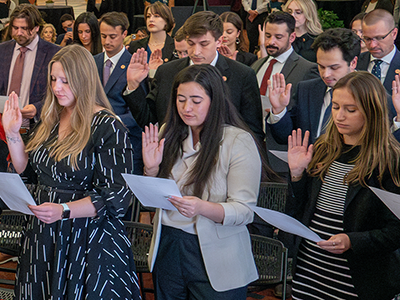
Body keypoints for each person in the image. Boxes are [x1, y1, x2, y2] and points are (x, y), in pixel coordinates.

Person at [2, 44, 141, 300]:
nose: (56, 88)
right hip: (44, 233)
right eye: (54, 79)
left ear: (84, 80)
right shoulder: (52, 118)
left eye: (65, 81)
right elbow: (27, 169)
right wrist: (12, 133)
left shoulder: (107, 125)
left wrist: (64, 210)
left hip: (87, 236)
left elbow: (116, 197)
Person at [143, 64, 260, 299]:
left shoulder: (237, 141)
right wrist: (151, 168)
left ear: (214, 100)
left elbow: (245, 211)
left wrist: (201, 207)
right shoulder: (169, 132)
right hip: (169, 242)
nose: (186, 108)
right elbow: (152, 200)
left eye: (196, 101)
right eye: (181, 99)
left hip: (217, 251)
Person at [287, 71, 400, 300]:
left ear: (371, 112)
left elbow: (395, 232)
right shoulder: (323, 148)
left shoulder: (390, 161)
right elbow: (302, 210)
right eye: (336, 106)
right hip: (311, 272)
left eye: (350, 110)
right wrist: (297, 175)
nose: (339, 116)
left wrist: (352, 241)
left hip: (357, 280)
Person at [124, 11, 264, 143]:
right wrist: (133, 85)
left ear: (219, 41)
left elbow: (252, 132)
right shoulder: (167, 72)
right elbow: (150, 122)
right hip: (175, 158)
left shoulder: (242, 75)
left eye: (204, 44)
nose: (196, 51)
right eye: (190, 43)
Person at [251, 11, 318, 175]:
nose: (271, 42)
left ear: (292, 37)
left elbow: (307, 118)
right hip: (253, 153)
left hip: (283, 158)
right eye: (267, 35)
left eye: (278, 37)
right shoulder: (256, 66)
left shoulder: (307, 69)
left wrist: (279, 112)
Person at [267, 28, 362, 144]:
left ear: (353, 63)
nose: (326, 74)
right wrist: (279, 110)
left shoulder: (369, 93)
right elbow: (287, 136)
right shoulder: (307, 90)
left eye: (334, 67)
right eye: (321, 66)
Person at [94, 12, 143, 174]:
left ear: (124, 34)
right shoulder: (93, 62)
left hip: (125, 140)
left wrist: (113, 120)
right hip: (95, 141)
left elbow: (139, 110)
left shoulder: (134, 65)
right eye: (103, 36)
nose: (107, 41)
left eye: (112, 36)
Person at [0, 4, 60, 127]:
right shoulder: (3, 51)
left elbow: (60, 93)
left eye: (24, 28)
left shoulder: (54, 53)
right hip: (3, 127)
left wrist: (37, 108)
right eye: (15, 28)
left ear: (37, 27)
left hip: (38, 127)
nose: (19, 33)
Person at [357, 9, 400, 94]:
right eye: (367, 39)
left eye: (379, 38)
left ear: (394, 34)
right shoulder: (355, 63)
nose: (373, 45)